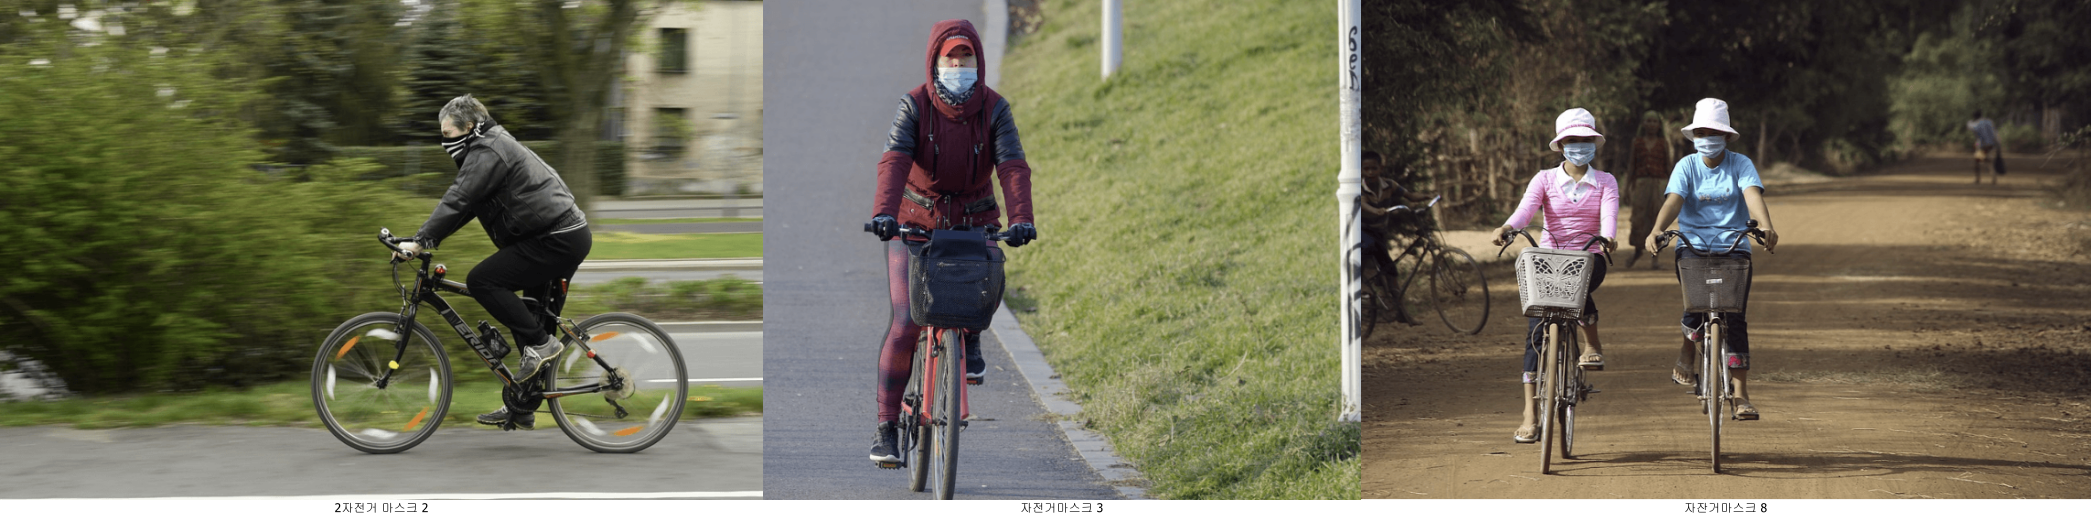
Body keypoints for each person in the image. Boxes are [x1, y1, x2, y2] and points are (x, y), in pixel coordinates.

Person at [865, 19, 1037, 465]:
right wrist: (884, 214)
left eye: (967, 57)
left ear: (978, 61)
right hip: (914, 224)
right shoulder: (914, 106)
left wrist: (1021, 219)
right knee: (907, 321)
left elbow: (1012, 167)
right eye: (950, 58)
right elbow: (894, 161)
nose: (958, 66)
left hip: (974, 222)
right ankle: (886, 426)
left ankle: (970, 338)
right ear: (934, 62)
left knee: (986, 284)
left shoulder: (995, 109)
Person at [394, 95, 592, 430]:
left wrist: (420, 241)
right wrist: (423, 239)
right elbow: (466, 208)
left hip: (556, 238)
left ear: (470, 127)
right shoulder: (486, 147)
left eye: (448, 133)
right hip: (556, 236)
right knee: (527, 319)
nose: (445, 141)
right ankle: (522, 404)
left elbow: (457, 198)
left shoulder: (488, 149)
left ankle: (543, 344)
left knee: (483, 281)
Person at [1644, 98, 1780, 421]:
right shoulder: (1686, 166)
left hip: (1734, 247)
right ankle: (1687, 348)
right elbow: (1674, 200)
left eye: (1714, 132)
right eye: (1701, 132)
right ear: (1694, 136)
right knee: (1694, 308)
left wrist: (1766, 226)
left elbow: (1752, 195)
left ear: (1727, 136)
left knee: (1735, 318)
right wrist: (1657, 229)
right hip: (1692, 247)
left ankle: (1741, 394)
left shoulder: (1741, 164)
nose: (1707, 138)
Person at [1492, 108, 1619, 443]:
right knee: (1535, 331)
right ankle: (1529, 414)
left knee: (1579, 286)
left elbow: (1609, 215)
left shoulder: (1606, 181)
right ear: (1561, 144)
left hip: (1589, 256)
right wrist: (1508, 227)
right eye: (1572, 139)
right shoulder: (1544, 179)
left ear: (1594, 143)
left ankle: (1591, 343)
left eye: (1585, 139)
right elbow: (1526, 210)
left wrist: (1608, 236)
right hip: (1548, 259)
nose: (1579, 145)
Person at [1359, 150, 1433, 324]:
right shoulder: (1360, 187)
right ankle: (1360, 282)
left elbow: (1409, 195)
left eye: (1374, 168)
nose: (1370, 172)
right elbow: (1362, 204)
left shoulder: (1389, 185)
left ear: (1380, 168)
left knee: (1391, 271)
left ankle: (1401, 312)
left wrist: (1425, 196)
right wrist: (1375, 210)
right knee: (1367, 246)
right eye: (1366, 169)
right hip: (1362, 231)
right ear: (1361, 170)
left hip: (1379, 232)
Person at [1624, 111, 1675, 269]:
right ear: (1643, 124)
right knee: (1638, 219)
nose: (1651, 124)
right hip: (1641, 184)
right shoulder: (1637, 142)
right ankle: (1637, 251)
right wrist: (1626, 188)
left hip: (1660, 184)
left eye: (1654, 121)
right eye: (1648, 121)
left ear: (1659, 125)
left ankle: (1655, 258)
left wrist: (1673, 189)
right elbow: (1631, 165)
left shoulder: (1663, 143)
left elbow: (1668, 165)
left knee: (1657, 218)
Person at [1968, 110, 2005, 184]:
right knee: (1983, 160)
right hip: (1992, 144)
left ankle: (1978, 179)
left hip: (1983, 145)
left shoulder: (1977, 123)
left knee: (1978, 160)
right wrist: (1998, 145)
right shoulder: (1989, 121)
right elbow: (1995, 133)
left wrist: (1969, 122)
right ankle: (1992, 178)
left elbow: (1971, 127)